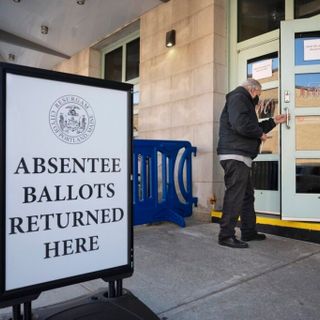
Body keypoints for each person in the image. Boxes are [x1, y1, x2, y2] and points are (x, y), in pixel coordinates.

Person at [217, 78, 287, 248]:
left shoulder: (240, 99)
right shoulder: (239, 96)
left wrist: (274, 121)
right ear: (252, 90)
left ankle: (248, 231)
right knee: (235, 196)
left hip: (240, 155)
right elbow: (240, 124)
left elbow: (249, 125)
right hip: (235, 155)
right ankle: (225, 235)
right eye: (258, 94)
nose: (257, 98)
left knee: (247, 195)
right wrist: (260, 134)